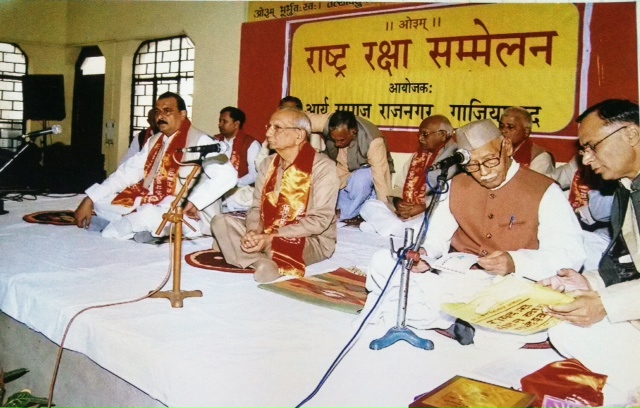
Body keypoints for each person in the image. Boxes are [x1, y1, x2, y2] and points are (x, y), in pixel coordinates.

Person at [361, 119, 585, 345]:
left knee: (533, 320)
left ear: (506, 147)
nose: (484, 172)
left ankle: (450, 319)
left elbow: (570, 253)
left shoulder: (545, 190)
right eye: (473, 166)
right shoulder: (455, 185)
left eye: (490, 160)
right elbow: (436, 238)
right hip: (459, 279)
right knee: (383, 261)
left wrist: (515, 262)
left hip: (510, 286)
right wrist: (425, 256)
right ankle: (458, 320)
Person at [539, 99, 640, 397]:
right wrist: (588, 282)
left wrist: (605, 303)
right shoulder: (625, 188)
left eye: (592, 146)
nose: (585, 160)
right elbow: (625, 261)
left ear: (631, 134)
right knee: (564, 326)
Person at [74, 92, 237, 240]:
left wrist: (194, 202)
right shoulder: (155, 141)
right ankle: (144, 230)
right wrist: (90, 198)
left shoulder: (201, 141)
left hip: (185, 210)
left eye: (167, 111)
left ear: (182, 115)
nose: (160, 116)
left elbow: (228, 176)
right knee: (102, 202)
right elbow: (127, 173)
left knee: (146, 215)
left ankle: (118, 228)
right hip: (153, 200)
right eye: (157, 112)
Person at [211, 108, 340, 283]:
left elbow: (319, 220)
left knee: (272, 244)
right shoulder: (267, 164)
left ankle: (239, 250)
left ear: (299, 135)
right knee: (220, 222)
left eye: (277, 128)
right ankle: (261, 262)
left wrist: (271, 237)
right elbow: (256, 207)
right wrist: (253, 232)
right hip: (267, 230)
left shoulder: (323, 167)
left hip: (309, 238)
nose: (268, 133)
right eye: (269, 127)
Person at [359, 115, 459, 237]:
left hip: (429, 212)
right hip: (406, 212)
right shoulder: (417, 156)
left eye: (425, 134)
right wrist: (399, 203)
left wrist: (423, 207)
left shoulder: (454, 157)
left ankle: (389, 228)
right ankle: (402, 230)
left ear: (442, 134)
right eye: (419, 134)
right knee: (369, 205)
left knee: (438, 220)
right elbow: (399, 185)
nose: (420, 138)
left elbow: (450, 196)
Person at [309, 110, 394, 221]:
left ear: (353, 132)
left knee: (361, 178)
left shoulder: (373, 141)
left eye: (341, 140)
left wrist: (385, 212)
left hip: (367, 179)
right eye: (334, 140)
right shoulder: (328, 122)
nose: (337, 144)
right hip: (344, 174)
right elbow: (299, 119)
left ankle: (345, 214)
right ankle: (345, 211)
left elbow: (381, 179)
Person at [214, 106, 261, 212]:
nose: (220, 124)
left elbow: (255, 174)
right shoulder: (215, 142)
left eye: (224, 121)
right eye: (220, 121)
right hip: (215, 191)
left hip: (239, 192)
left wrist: (233, 184)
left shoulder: (251, 144)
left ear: (236, 124)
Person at [499, 106, 555, 175]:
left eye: (510, 127)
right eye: (501, 126)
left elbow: (531, 181)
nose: (503, 131)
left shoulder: (540, 157)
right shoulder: (495, 150)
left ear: (526, 131)